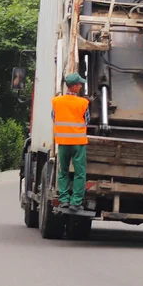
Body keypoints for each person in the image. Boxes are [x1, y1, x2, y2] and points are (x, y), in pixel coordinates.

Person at [51, 73, 90, 212]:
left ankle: (64, 200)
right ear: (74, 86)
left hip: (63, 142)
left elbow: (54, 118)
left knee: (63, 171)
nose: (81, 86)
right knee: (80, 172)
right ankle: (76, 202)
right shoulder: (83, 102)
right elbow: (87, 120)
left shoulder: (56, 101)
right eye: (79, 84)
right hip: (78, 142)